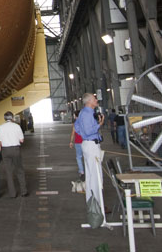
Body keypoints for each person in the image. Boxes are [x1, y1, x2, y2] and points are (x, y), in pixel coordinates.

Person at [74, 93, 106, 225]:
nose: (96, 100)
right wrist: (99, 124)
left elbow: (77, 127)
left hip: (87, 144)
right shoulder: (87, 114)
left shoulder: (83, 113)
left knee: (91, 175)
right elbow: (87, 131)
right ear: (89, 102)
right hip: (91, 144)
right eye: (94, 99)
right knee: (96, 175)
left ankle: (94, 205)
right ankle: (97, 206)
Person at [0, 111, 28, 198]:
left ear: (4, 118)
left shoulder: (0, 127)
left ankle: (12, 194)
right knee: (19, 170)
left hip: (5, 150)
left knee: (8, 172)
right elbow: (22, 140)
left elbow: (0, 141)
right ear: (12, 118)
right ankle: (24, 191)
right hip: (15, 149)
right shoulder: (16, 126)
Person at [69, 110, 85, 181]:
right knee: (87, 157)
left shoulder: (75, 123)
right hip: (86, 141)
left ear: (75, 116)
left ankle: (82, 171)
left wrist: (71, 142)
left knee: (79, 157)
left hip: (78, 142)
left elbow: (73, 133)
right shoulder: (85, 122)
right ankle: (90, 170)